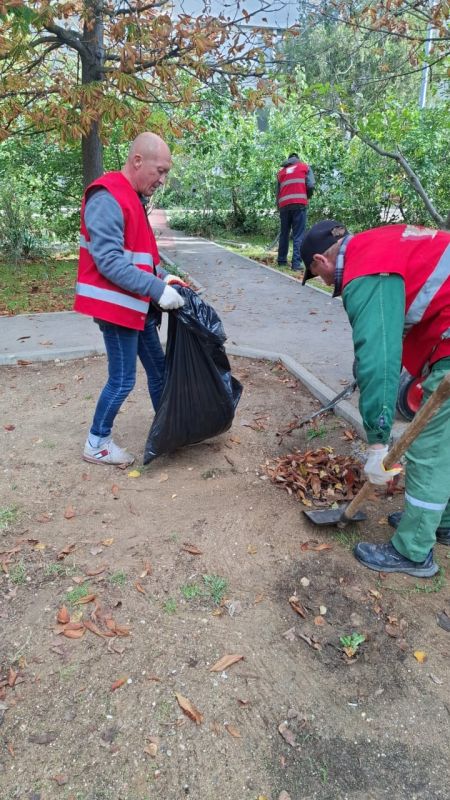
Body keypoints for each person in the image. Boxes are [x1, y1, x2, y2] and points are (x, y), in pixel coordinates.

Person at [300, 219, 450, 578]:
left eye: (317, 275)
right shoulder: (379, 244)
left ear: (320, 260)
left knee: (428, 449)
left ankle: (413, 550)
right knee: (445, 441)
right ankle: (442, 521)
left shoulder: (365, 270)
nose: (325, 284)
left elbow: (379, 361)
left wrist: (378, 445)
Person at [74, 132, 186, 466]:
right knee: (122, 380)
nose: (162, 180)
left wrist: (163, 277)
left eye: (166, 173)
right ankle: (97, 442)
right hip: (117, 310)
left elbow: (141, 256)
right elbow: (109, 262)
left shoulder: (131, 197)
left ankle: (169, 429)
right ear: (138, 161)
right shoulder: (107, 196)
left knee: (159, 371)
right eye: (160, 171)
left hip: (135, 307)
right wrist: (157, 289)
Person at [276, 152, 315, 272]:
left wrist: (279, 207)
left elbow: (278, 192)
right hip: (299, 204)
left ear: (288, 161)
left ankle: (281, 261)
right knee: (298, 235)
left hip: (284, 205)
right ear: (297, 159)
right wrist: (307, 196)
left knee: (284, 233)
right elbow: (311, 185)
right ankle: (296, 264)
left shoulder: (281, 172)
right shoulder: (305, 167)